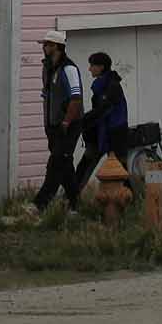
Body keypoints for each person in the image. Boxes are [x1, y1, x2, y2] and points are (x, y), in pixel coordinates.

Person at [32, 30, 86, 212]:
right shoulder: (47, 68)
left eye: (46, 44)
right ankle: (75, 204)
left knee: (55, 163)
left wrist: (66, 122)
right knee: (65, 163)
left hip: (69, 124)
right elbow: (47, 94)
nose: (43, 47)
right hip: (52, 124)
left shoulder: (69, 69)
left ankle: (40, 204)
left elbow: (76, 99)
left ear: (56, 47)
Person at [72, 51, 131, 193]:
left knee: (120, 171)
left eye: (92, 65)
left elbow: (103, 110)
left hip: (113, 134)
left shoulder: (112, 86)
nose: (89, 69)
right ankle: (71, 196)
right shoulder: (101, 84)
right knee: (85, 166)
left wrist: (83, 121)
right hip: (101, 133)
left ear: (101, 67)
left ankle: (127, 199)